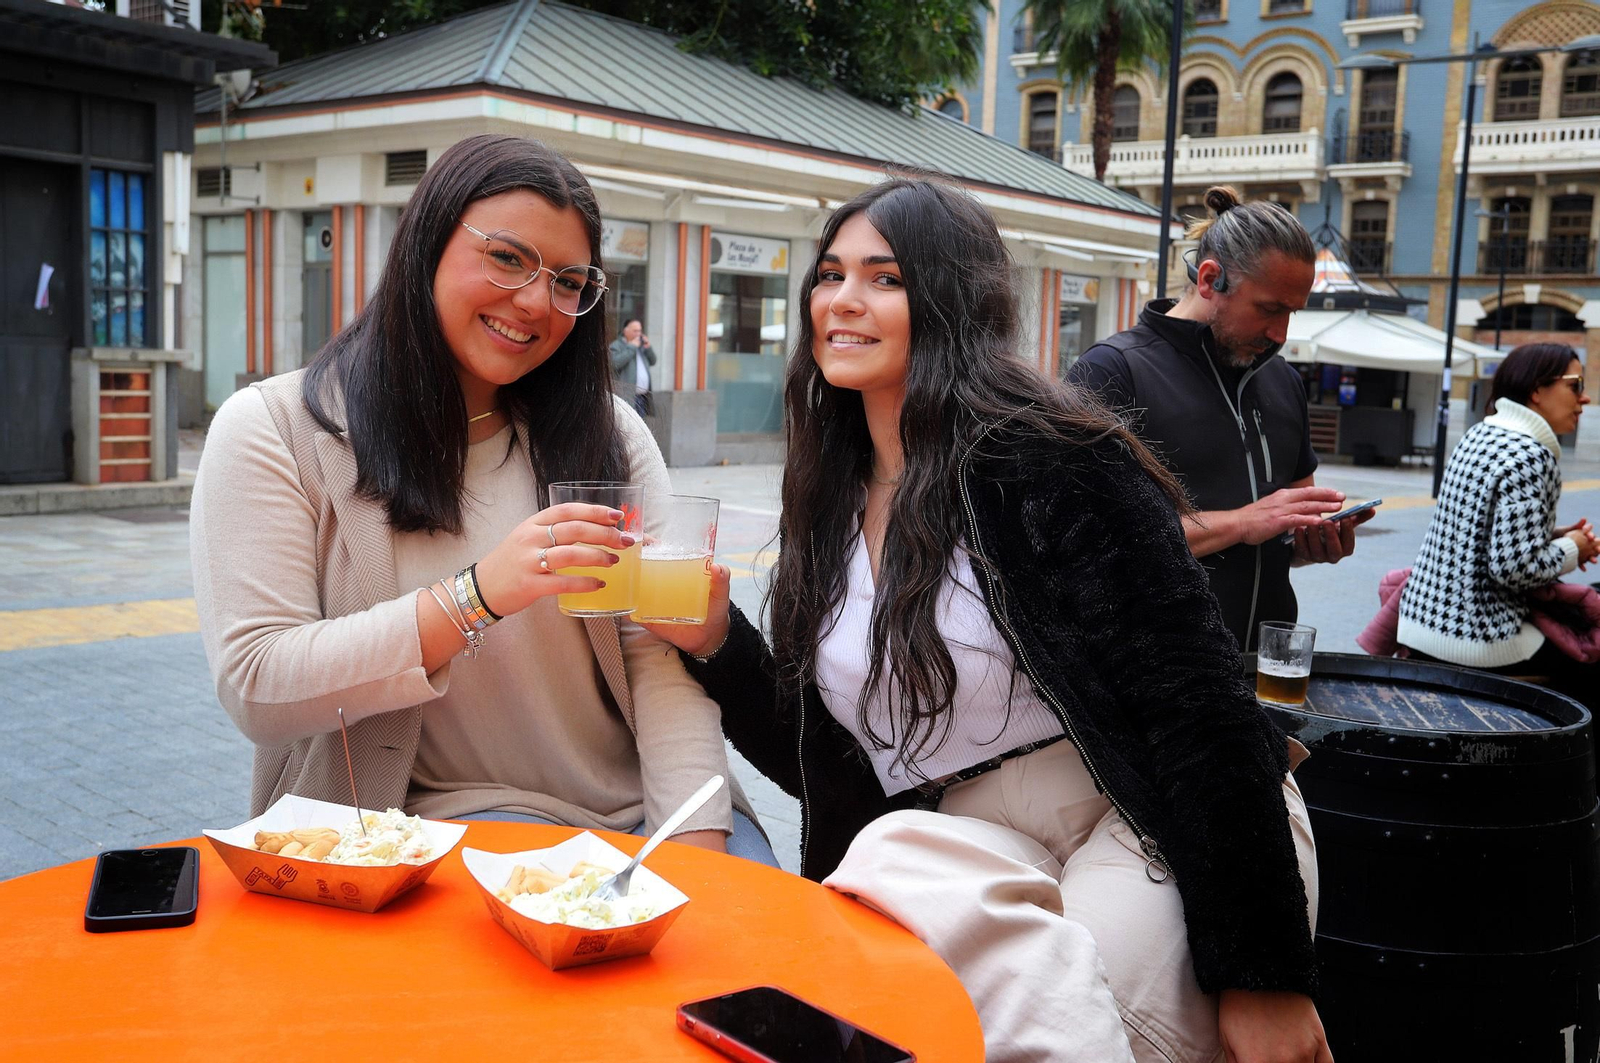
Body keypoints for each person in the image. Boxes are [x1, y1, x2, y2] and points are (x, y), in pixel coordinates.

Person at [645, 176, 1329, 1063]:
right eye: (830, 274)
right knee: (892, 999)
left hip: (1141, 804)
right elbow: (834, 758)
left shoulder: (1053, 458)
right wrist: (716, 641)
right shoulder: (827, 491)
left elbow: (1198, 707)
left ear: (951, 299)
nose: (842, 300)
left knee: (1066, 1022)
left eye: (885, 278)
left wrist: (1263, 975)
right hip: (964, 833)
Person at [190, 134, 773, 864]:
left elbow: (655, 658)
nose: (535, 302)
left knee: (755, 927)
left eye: (568, 281)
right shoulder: (276, 430)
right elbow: (258, 683)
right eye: (507, 258)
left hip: (645, 813)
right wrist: (476, 596)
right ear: (428, 244)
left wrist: (695, 840)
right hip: (429, 831)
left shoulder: (610, 431)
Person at [1069, 186, 1372, 652]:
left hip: (1262, 666)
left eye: (1292, 312)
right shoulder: (1112, 371)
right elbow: (1089, 540)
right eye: (1269, 309)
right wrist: (1241, 523)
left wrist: (1311, 544)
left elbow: (1281, 533)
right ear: (1210, 279)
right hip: (1149, 674)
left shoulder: (1284, 381)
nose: (1280, 333)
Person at [1397, 342, 1598, 689]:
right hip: (1479, 637)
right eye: (1575, 385)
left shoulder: (1480, 433)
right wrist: (1572, 550)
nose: (1585, 398)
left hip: (1421, 624)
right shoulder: (1531, 455)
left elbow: (1476, 531)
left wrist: (1551, 537)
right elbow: (1513, 568)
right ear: (1537, 390)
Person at [609, 318, 656, 417]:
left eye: (640, 331)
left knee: (641, 424)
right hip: (627, 397)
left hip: (642, 397)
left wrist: (648, 348)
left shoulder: (641, 346)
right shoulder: (616, 346)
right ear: (625, 331)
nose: (638, 334)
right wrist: (632, 347)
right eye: (635, 331)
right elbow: (614, 363)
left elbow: (653, 361)